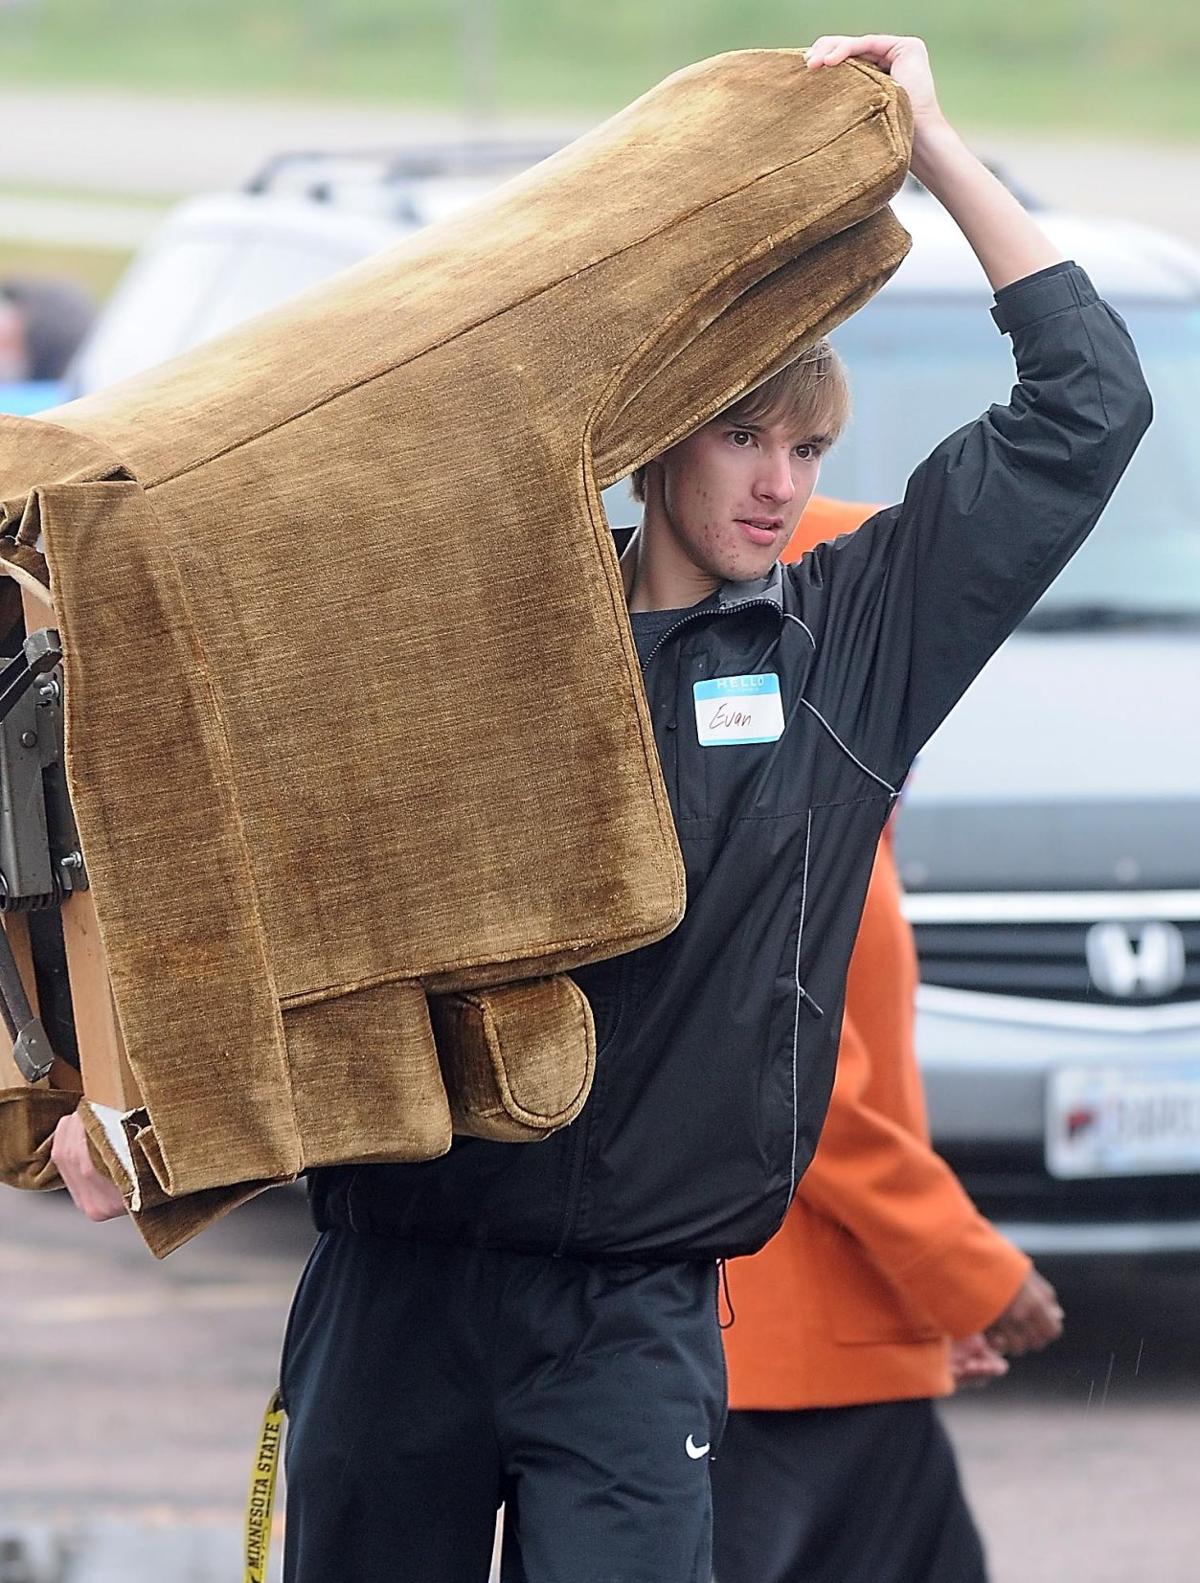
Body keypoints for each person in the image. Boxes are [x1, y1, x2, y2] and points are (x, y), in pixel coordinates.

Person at [49, 32, 1151, 1583]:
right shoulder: (466, 636)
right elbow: (234, 868)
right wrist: (135, 1115)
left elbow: (1088, 409)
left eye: (811, 447)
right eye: (743, 436)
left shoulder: (850, 646)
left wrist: (941, 155)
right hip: (393, 1287)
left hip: (635, 1316)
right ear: (653, 440)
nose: (781, 483)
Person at [711, 577, 1063, 1581]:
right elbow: (802, 1081)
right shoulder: (780, 797)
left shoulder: (840, 781)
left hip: (838, 1352)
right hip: (762, 1372)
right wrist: (964, 1267)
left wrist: (914, 1308)